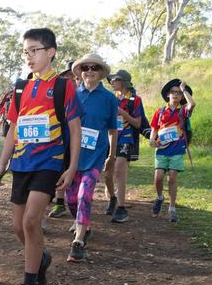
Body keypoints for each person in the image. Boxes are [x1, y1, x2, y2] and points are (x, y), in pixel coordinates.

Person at [0, 28, 81, 285]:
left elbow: (75, 130)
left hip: (49, 162)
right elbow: (13, 130)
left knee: (32, 221)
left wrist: (71, 167)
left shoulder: (63, 86)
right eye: (26, 51)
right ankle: (40, 258)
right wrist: (2, 162)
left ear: (51, 52)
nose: (29, 56)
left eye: (35, 50)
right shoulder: (20, 87)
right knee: (18, 226)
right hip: (22, 163)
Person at [66, 54, 118, 263]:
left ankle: (78, 241)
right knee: (71, 199)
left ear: (101, 73)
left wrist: (111, 157)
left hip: (96, 155)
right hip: (73, 157)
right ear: (80, 71)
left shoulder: (109, 99)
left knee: (85, 194)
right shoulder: (72, 96)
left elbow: (113, 130)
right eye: (85, 67)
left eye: (94, 68)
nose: (89, 71)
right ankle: (82, 224)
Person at [150, 78, 195, 223]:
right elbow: (154, 128)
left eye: (178, 93)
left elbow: (192, 104)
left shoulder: (183, 111)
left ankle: (172, 208)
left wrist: (184, 89)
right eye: (173, 92)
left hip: (177, 150)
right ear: (168, 94)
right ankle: (160, 197)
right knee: (158, 178)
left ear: (181, 97)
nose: (175, 95)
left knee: (173, 178)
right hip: (161, 149)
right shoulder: (161, 111)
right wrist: (152, 139)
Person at [103, 70, 145, 223]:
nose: (112, 82)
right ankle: (112, 198)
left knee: (120, 169)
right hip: (109, 138)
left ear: (124, 82)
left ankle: (121, 208)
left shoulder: (135, 100)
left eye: (115, 80)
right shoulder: (109, 98)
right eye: (111, 80)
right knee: (107, 173)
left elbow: (138, 123)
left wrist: (122, 113)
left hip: (126, 137)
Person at [49, 60, 75, 219]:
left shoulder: (84, 92)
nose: (71, 78)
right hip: (61, 138)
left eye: (73, 75)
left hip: (81, 140)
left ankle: (78, 213)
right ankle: (60, 202)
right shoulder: (60, 91)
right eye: (67, 75)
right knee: (60, 169)